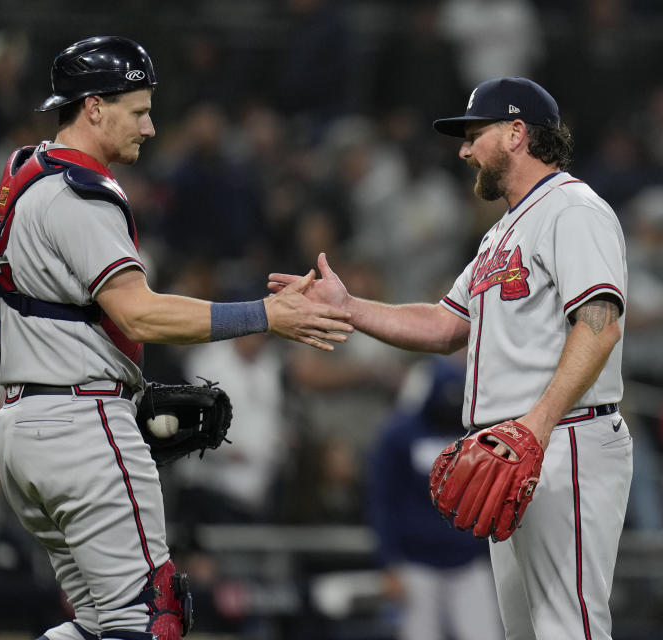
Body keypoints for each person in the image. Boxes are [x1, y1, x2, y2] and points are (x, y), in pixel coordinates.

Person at [0, 36, 353, 640]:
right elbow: (138, 314)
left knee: (96, 625)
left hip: (25, 428)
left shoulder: (23, 175)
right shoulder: (81, 195)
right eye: (137, 111)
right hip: (80, 424)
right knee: (149, 620)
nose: (151, 126)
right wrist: (265, 316)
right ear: (93, 107)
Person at [270, 76, 632, 639]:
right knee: (527, 633)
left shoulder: (572, 208)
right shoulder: (501, 234)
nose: (464, 150)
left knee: (570, 628)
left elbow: (599, 325)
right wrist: (349, 307)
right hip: (519, 444)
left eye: (474, 134)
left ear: (516, 133)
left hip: (564, 438)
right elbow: (443, 326)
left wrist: (535, 427)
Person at [367, 356, 503, 640]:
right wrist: (388, 563)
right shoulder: (400, 435)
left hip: (468, 562)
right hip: (416, 565)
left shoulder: (476, 435)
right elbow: (382, 502)